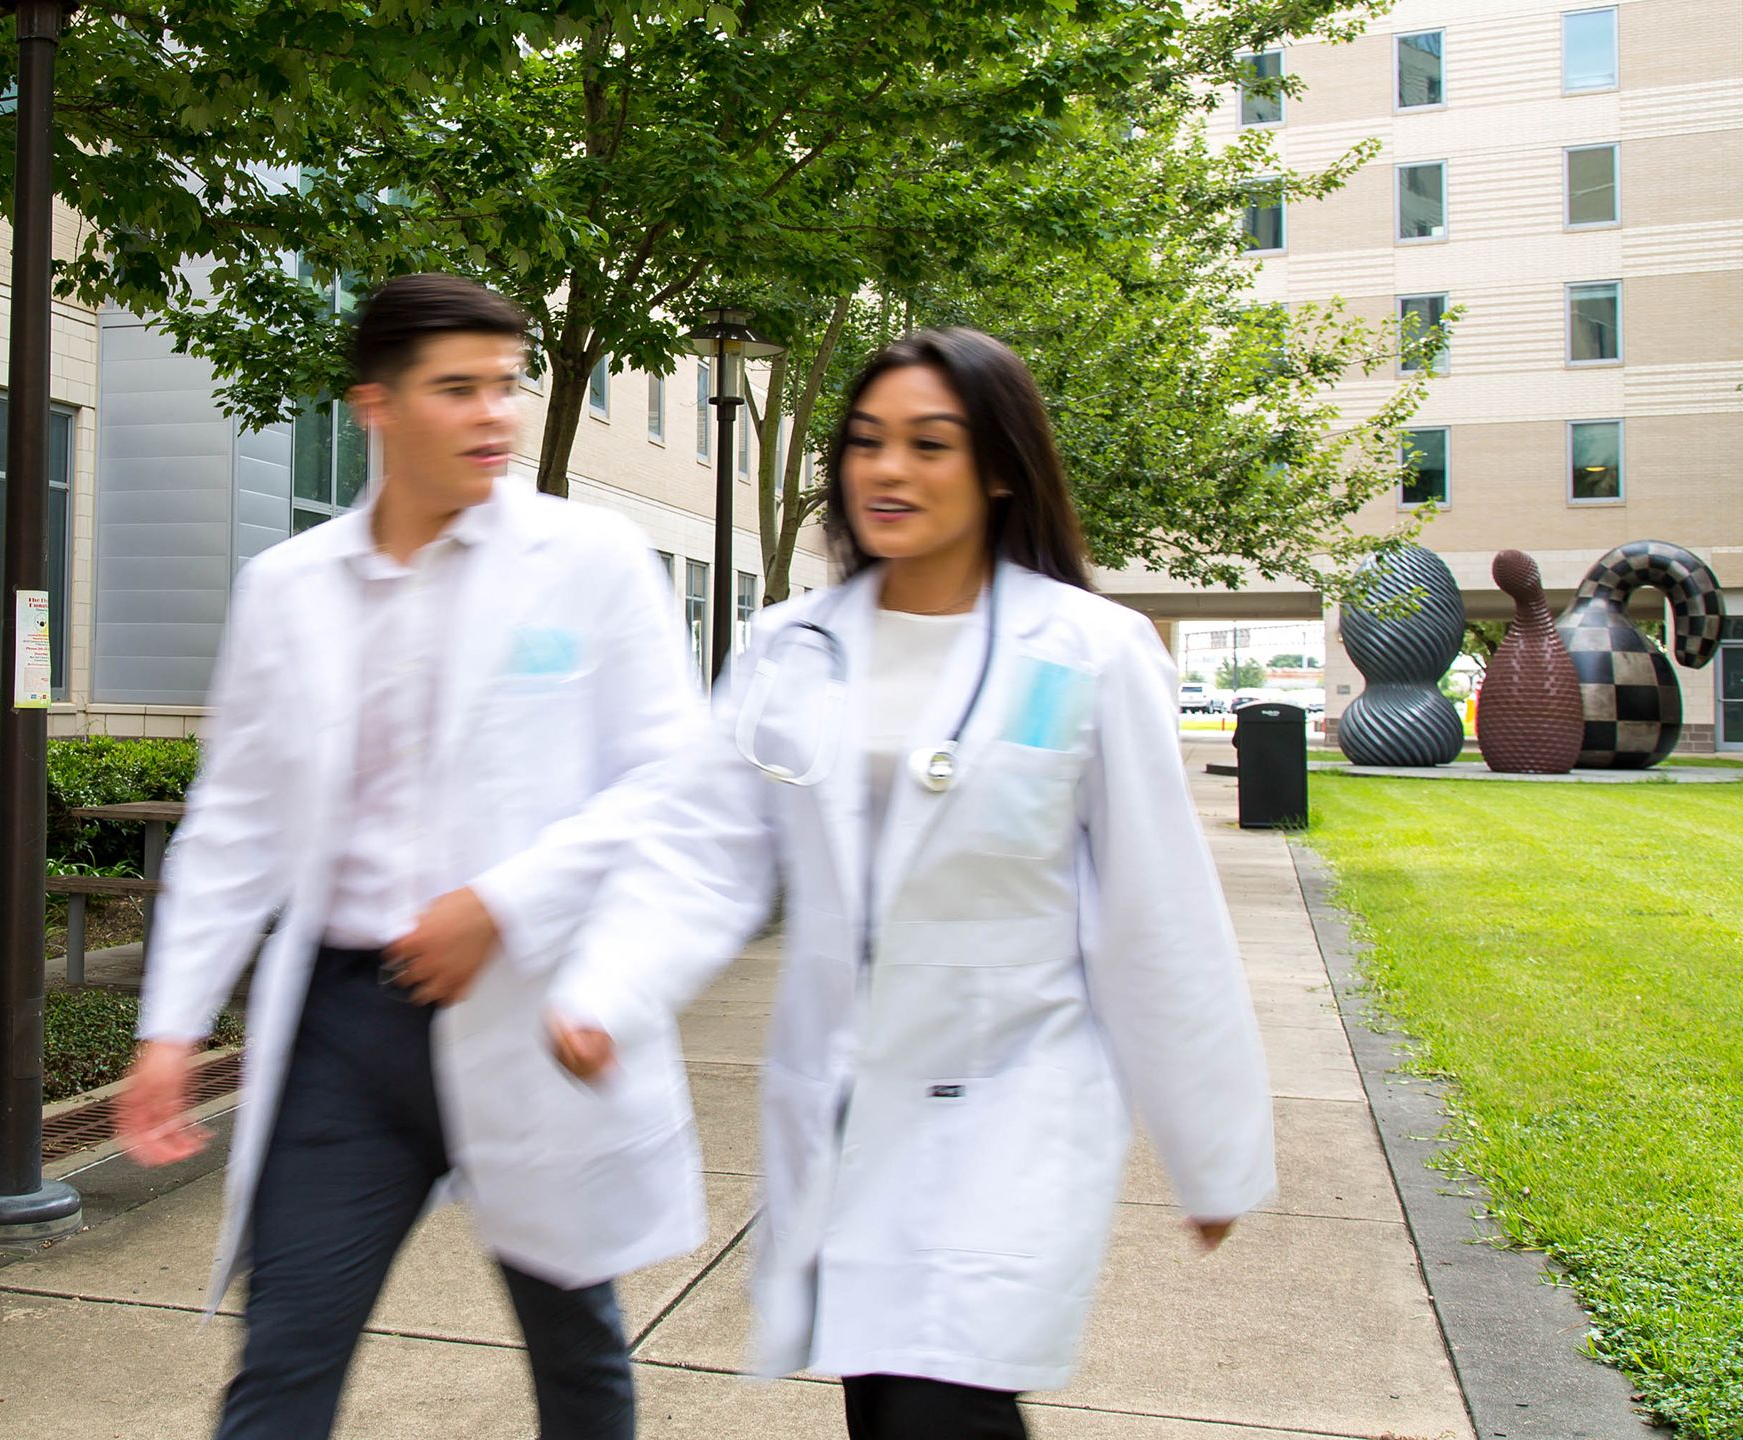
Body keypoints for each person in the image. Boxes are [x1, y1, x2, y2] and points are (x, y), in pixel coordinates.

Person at [547, 327, 1276, 1439]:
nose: (888, 471)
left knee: (934, 1409)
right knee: (891, 1401)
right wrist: (608, 984)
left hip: (1013, 1106)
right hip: (847, 1107)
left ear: (995, 467)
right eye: (867, 443)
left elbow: (1158, 916)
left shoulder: (1088, 652)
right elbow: (706, 847)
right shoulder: (791, 648)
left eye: (928, 444)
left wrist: (1209, 1149)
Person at [115, 272, 705, 1439]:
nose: (494, 415)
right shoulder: (288, 589)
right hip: (349, 1030)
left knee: (577, 1355)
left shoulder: (589, 559)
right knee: (284, 1355)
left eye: (507, 385)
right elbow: (232, 825)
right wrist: (169, 1031)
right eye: (457, 390)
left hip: (526, 1009)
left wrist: (504, 903)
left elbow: (673, 783)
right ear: (373, 405)